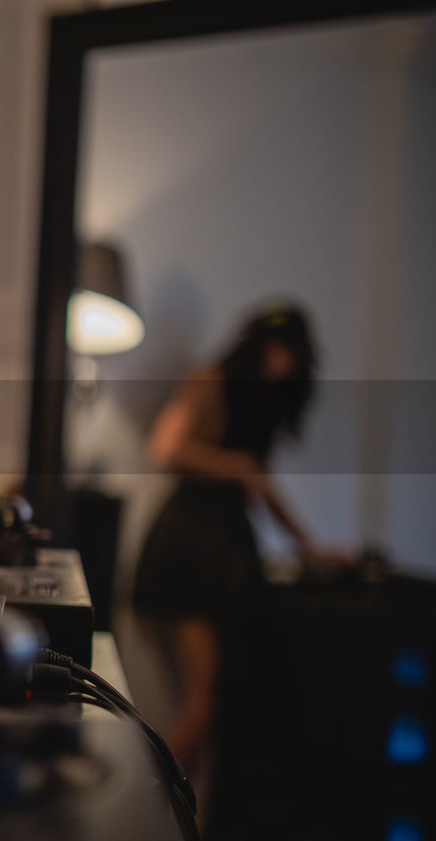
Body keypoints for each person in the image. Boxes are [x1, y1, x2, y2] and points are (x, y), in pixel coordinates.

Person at [131, 303, 346, 773]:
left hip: (225, 547)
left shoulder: (260, 407)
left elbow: (261, 484)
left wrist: (307, 545)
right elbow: (167, 447)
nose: (283, 365)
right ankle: (144, 810)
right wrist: (235, 467)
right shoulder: (210, 380)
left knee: (219, 697)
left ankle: (172, 814)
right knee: (205, 698)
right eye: (277, 352)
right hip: (190, 547)